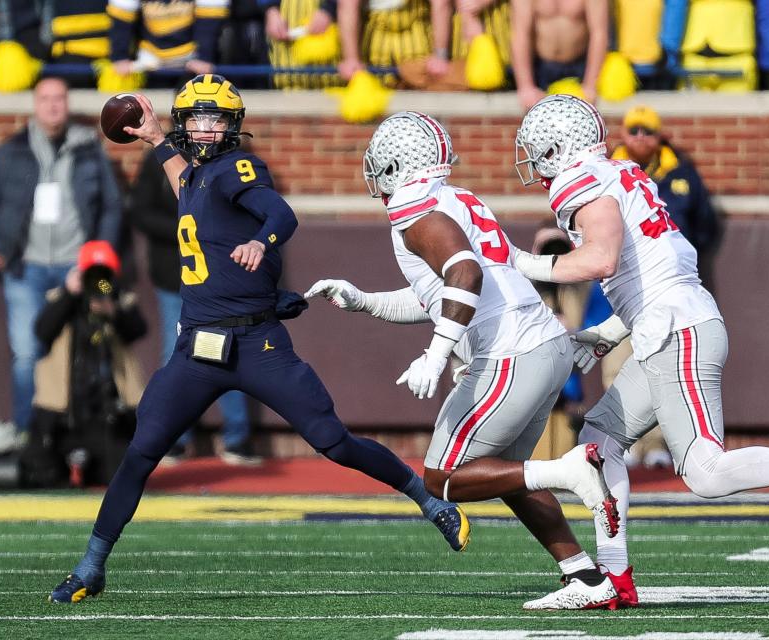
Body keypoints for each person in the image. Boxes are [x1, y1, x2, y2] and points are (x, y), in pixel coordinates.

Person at [49, 75, 468, 604]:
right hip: (198, 347)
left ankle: (429, 501)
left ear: (232, 126)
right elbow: (188, 186)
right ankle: (91, 566)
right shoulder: (197, 175)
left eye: (216, 119)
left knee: (333, 441)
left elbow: (280, 214)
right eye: (196, 118)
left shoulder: (237, 168)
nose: (204, 128)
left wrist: (259, 239)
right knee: (141, 453)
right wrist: (157, 141)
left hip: (256, 344)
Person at [509, 94, 769, 607]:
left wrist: (523, 264)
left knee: (705, 473)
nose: (534, 162)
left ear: (560, 149)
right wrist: (607, 334)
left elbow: (602, 259)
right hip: (668, 327)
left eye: (539, 151)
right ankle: (614, 578)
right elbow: (652, 269)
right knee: (600, 440)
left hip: (679, 332)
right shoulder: (621, 174)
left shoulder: (583, 181)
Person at [306, 111, 621, 610]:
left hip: (509, 355)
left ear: (395, 165)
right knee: (504, 471)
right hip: (542, 345)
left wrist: (436, 353)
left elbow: (465, 275)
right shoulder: (455, 198)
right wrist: (363, 299)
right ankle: (583, 576)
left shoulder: (416, 206)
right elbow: (440, 294)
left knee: (443, 479)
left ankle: (569, 471)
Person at [0, 76, 121, 439]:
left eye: (59, 98)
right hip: (26, 269)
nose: (53, 105)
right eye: (46, 99)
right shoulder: (12, 150)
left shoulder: (89, 148)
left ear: (67, 104)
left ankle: (91, 435)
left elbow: (112, 207)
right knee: (27, 354)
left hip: (80, 268)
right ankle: (29, 436)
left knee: (95, 345)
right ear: (35, 105)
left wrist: (98, 259)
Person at [130, 147, 260, 466]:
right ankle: (175, 437)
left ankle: (237, 437)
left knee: (228, 351)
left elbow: (251, 212)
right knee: (176, 353)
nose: (202, 124)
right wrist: (187, 228)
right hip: (174, 275)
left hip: (221, 275)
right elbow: (141, 210)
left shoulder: (233, 158)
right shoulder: (158, 158)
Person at [22, 241, 147, 488]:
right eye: (92, 275)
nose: (97, 283)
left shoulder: (120, 301)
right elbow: (42, 331)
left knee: (122, 479)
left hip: (107, 414)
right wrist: (70, 293)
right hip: (63, 413)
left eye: (103, 275)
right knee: (41, 477)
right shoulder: (62, 299)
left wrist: (113, 310)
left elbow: (137, 330)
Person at [610, 105, 721, 291]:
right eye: (633, 130)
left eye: (648, 131)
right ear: (623, 133)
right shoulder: (607, 171)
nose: (640, 136)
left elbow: (705, 220)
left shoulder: (682, 170)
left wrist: (687, 252)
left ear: (659, 135)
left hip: (674, 271)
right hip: (621, 269)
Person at [509, 0, 608, 110]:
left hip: (580, 67)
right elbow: (521, 34)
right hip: (541, 68)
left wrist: (590, 85)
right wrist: (525, 86)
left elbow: (599, 33)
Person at [107, 0, 230, 78]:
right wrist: (120, 56)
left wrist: (204, 57)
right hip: (149, 58)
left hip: (191, 58)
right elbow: (121, 22)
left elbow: (210, 22)